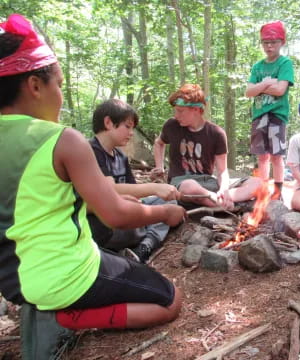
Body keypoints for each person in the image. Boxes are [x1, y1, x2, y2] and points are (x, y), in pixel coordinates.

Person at [0, 13, 185, 343]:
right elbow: (114, 212)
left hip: (16, 278)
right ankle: (70, 317)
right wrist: (165, 212)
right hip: (67, 274)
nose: (60, 93)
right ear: (34, 85)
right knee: (170, 299)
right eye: (58, 84)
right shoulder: (63, 141)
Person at [88, 99, 181, 263]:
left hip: (126, 213)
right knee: (154, 214)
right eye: (127, 126)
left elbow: (133, 191)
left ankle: (143, 248)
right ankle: (138, 241)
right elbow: (107, 190)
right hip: (103, 222)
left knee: (167, 203)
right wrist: (153, 188)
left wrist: (151, 191)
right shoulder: (89, 151)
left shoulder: (121, 156)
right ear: (108, 122)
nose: (131, 133)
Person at [152, 84, 262, 209]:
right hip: (182, 184)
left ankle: (218, 201)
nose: (176, 115)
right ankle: (222, 203)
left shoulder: (216, 133)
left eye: (180, 111)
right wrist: (159, 166)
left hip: (208, 182)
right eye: (176, 110)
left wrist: (224, 189)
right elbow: (158, 143)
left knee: (257, 183)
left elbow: (222, 171)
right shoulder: (171, 126)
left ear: (197, 110)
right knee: (190, 187)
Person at [245, 20, 294, 200]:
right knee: (262, 156)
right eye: (265, 42)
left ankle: (279, 191)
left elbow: (280, 90)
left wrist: (258, 87)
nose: (269, 46)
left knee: (276, 156)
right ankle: (263, 189)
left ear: (282, 42)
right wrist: (266, 83)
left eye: (273, 42)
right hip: (259, 115)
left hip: (277, 115)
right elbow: (248, 92)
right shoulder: (258, 66)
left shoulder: (285, 63)